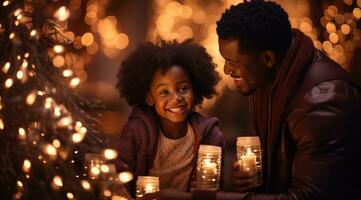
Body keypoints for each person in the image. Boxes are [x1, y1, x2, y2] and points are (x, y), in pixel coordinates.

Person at [143, 0, 361, 199]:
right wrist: (254, 179)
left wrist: (196, 198)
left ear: (267, 58)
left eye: (233, 62)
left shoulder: (323, 102)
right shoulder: (267, 79)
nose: (227, 70)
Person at [115, 39, 225, 198]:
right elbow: (119, 178)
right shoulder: (136, 130)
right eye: (164, 92)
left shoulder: (210, 135)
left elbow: (216, 191)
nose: (177, 98)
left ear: (195, 89)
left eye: (183, 89)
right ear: (149, 98)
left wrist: (205, 192)